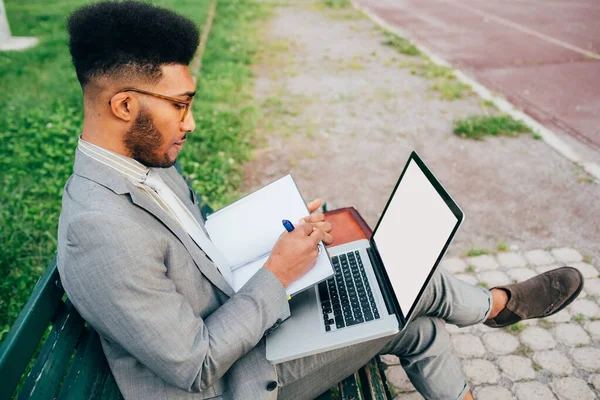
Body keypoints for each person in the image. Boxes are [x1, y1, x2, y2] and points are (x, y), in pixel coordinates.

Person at [57, 2, 584, 399]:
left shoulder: (136, 166)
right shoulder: (99, 229)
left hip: (241, 319)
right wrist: (280, 275)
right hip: (231, 382)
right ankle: (494, 304)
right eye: (180, 105)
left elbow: (204, 236)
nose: (190, 123)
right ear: (124, 104)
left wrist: (281, 233)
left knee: (407, 314)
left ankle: (491, 306)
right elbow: (195, 365)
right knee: (401, 289)